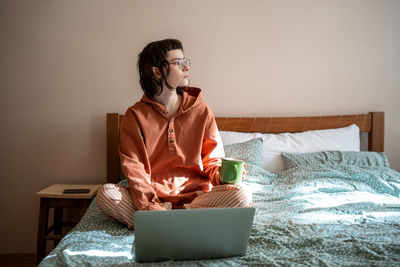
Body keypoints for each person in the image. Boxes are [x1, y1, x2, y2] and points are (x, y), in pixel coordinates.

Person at [96, 38, 252, 228]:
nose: (186, 67)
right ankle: (176, 223)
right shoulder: (134, 116)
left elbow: (212, 160)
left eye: (186, 61)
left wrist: (222, 176)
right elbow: (135, 172)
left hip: (197, 200)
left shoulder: (201, 110)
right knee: (106, 194)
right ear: (157, 71)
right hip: (154, 202)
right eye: (178, 63)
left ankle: (162, 226)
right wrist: (151, 207)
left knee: (241, 194)